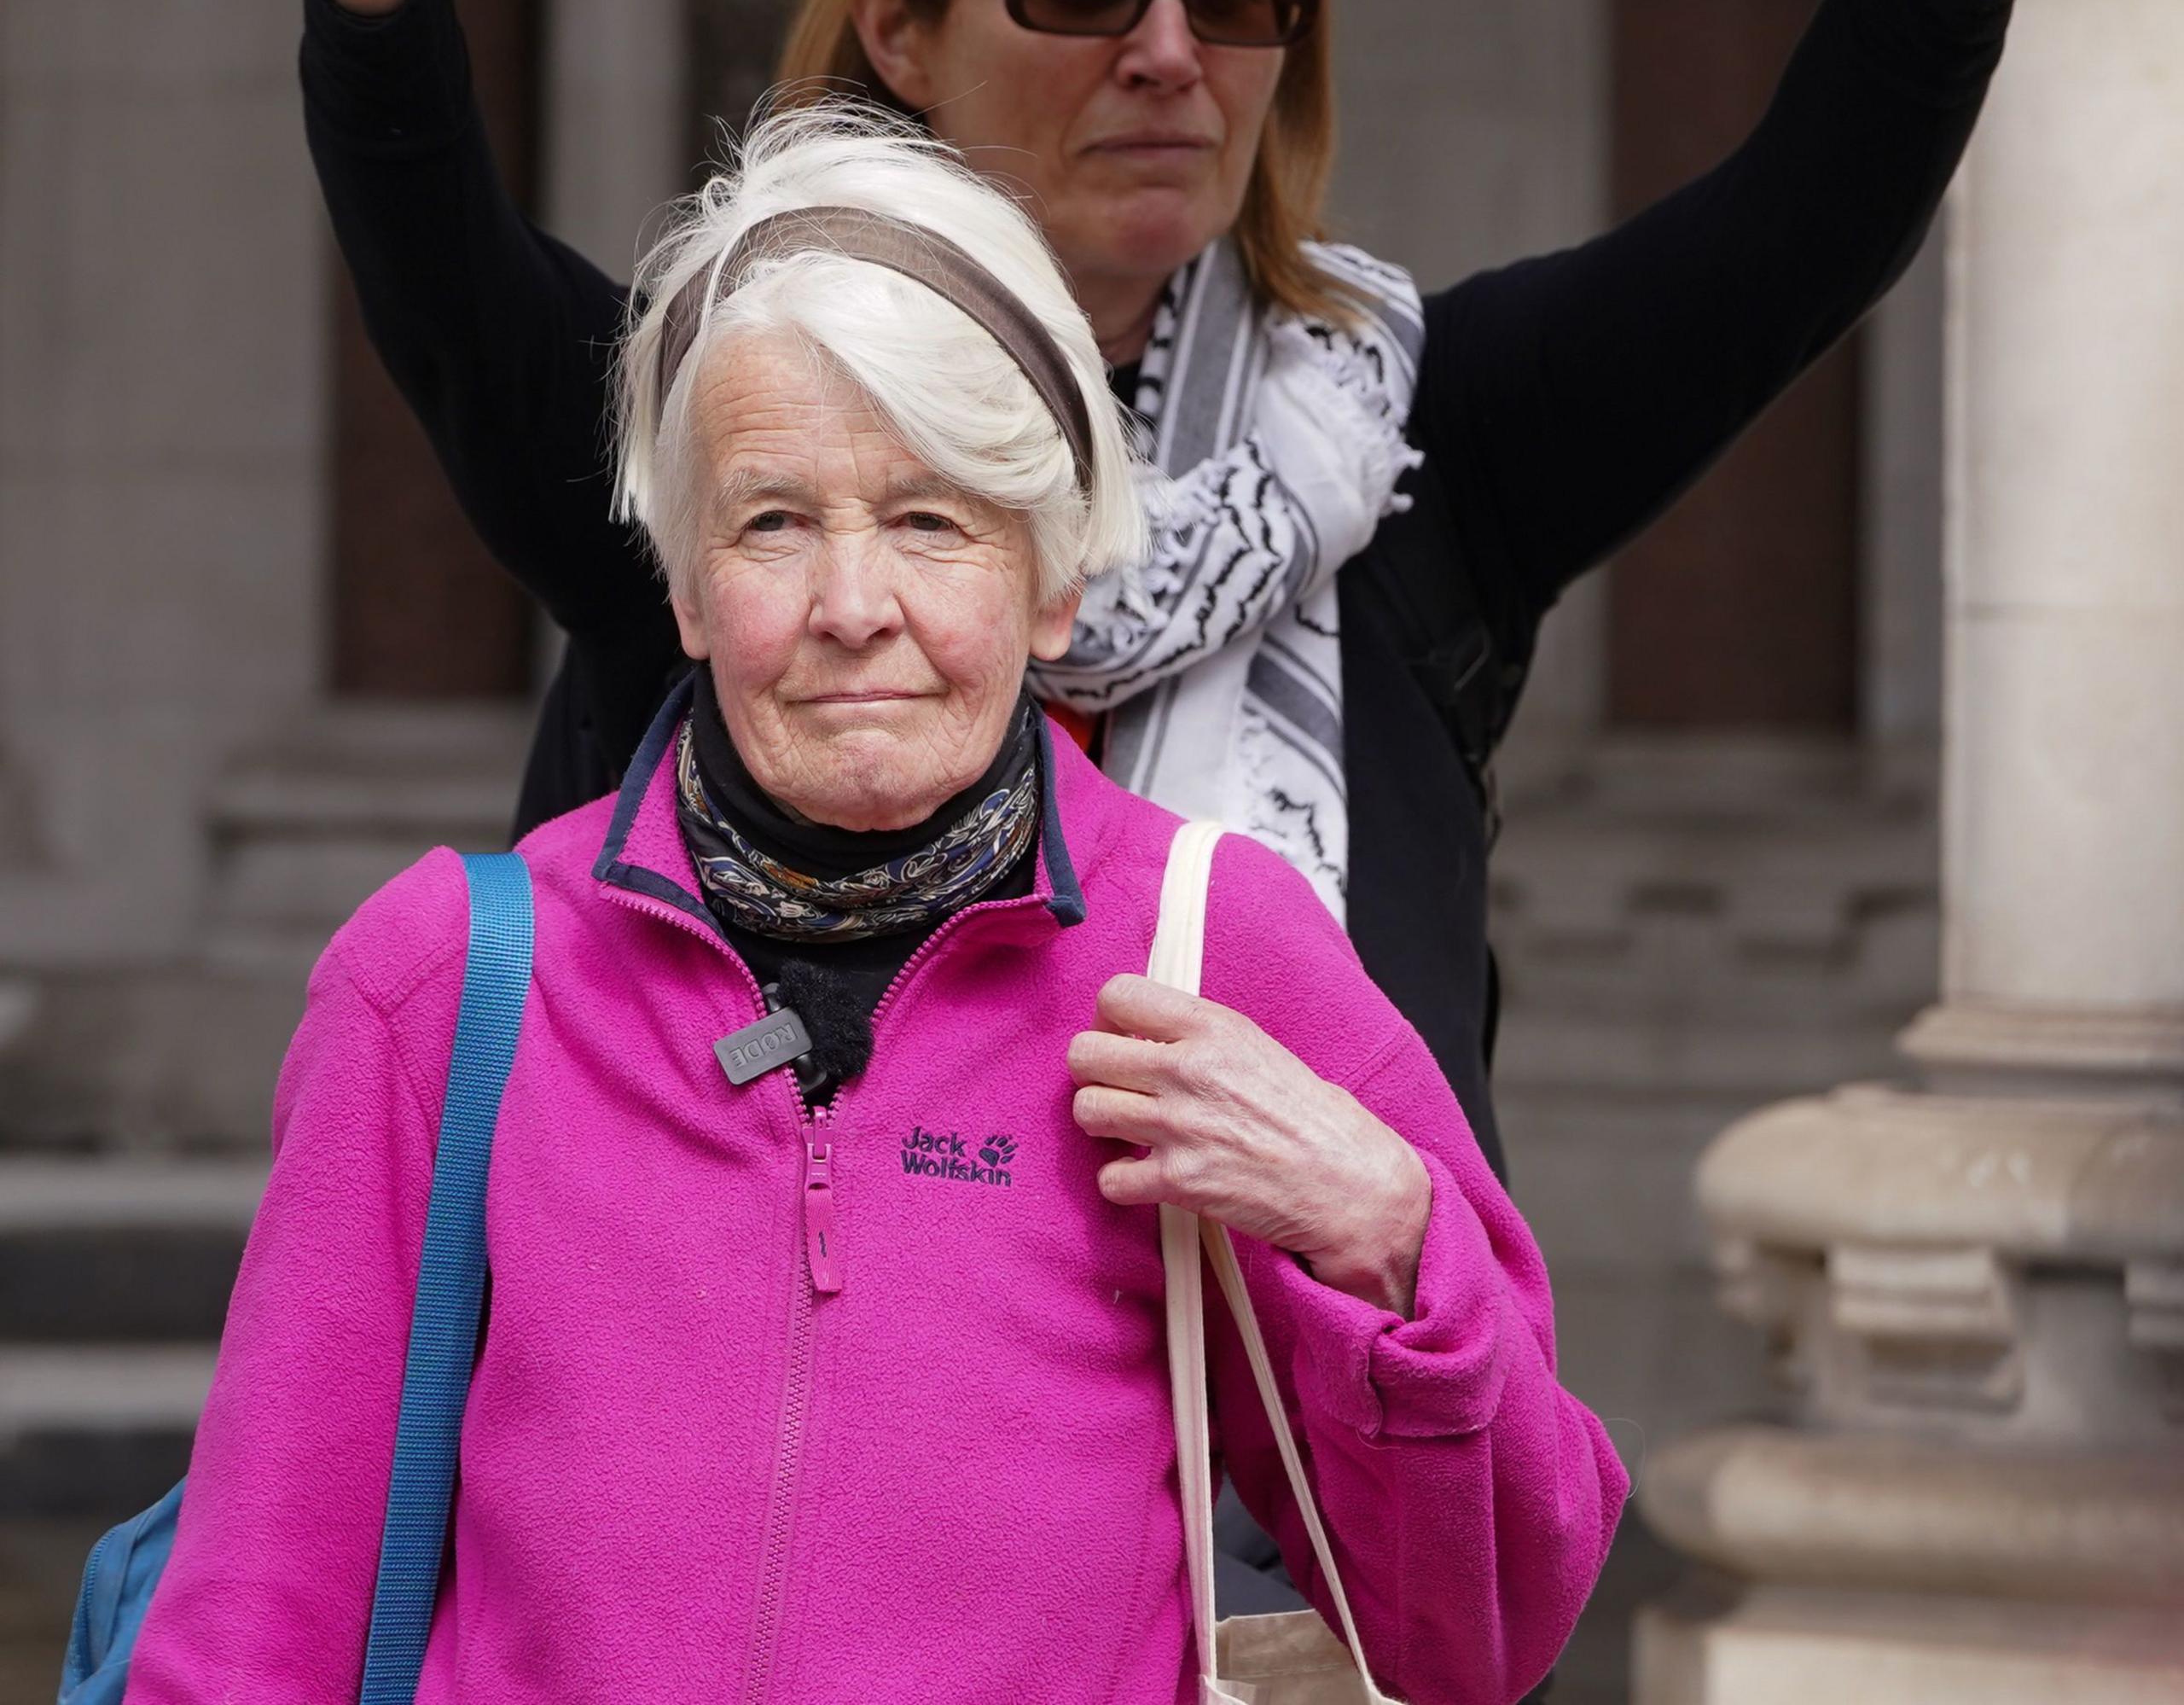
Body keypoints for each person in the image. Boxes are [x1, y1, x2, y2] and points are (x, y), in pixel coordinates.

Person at [163, 0, 2111, 1174]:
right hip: (799, 1438)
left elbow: (1799, 236)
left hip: (1266, 1489)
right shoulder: (723, 422)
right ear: (900, 21)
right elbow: (437, 268)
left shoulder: (1414, 443)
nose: (1172, 54)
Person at [124, 112, 1625, 1705]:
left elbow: (1484, 1638)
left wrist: (1392, 1244)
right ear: (690, 589)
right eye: (774, 521)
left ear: (1053, 581)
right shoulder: (445, 981)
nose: (855, 608)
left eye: (933, 520)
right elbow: (250, 1627)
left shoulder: (1211, 949)